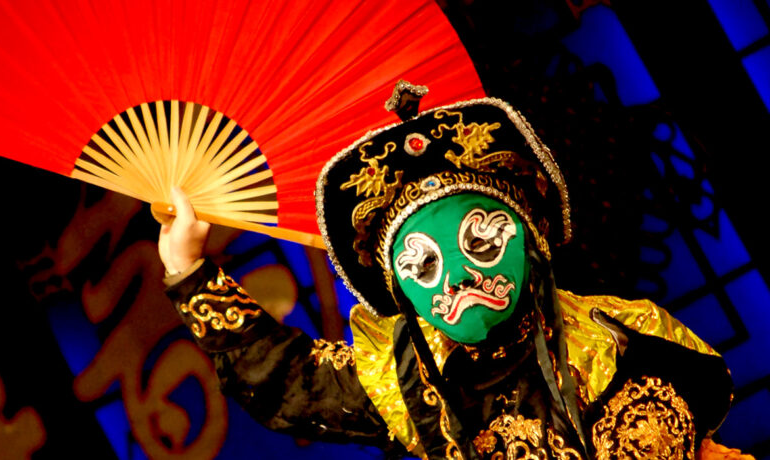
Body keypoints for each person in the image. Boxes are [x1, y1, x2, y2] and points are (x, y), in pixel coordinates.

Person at [159, 82, 750, 459]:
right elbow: (291, 380)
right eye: (422, 265)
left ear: (529, 241)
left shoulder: (623, 338)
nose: (459, 278)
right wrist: (188, 269)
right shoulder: (409, 380)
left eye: (482, 243)